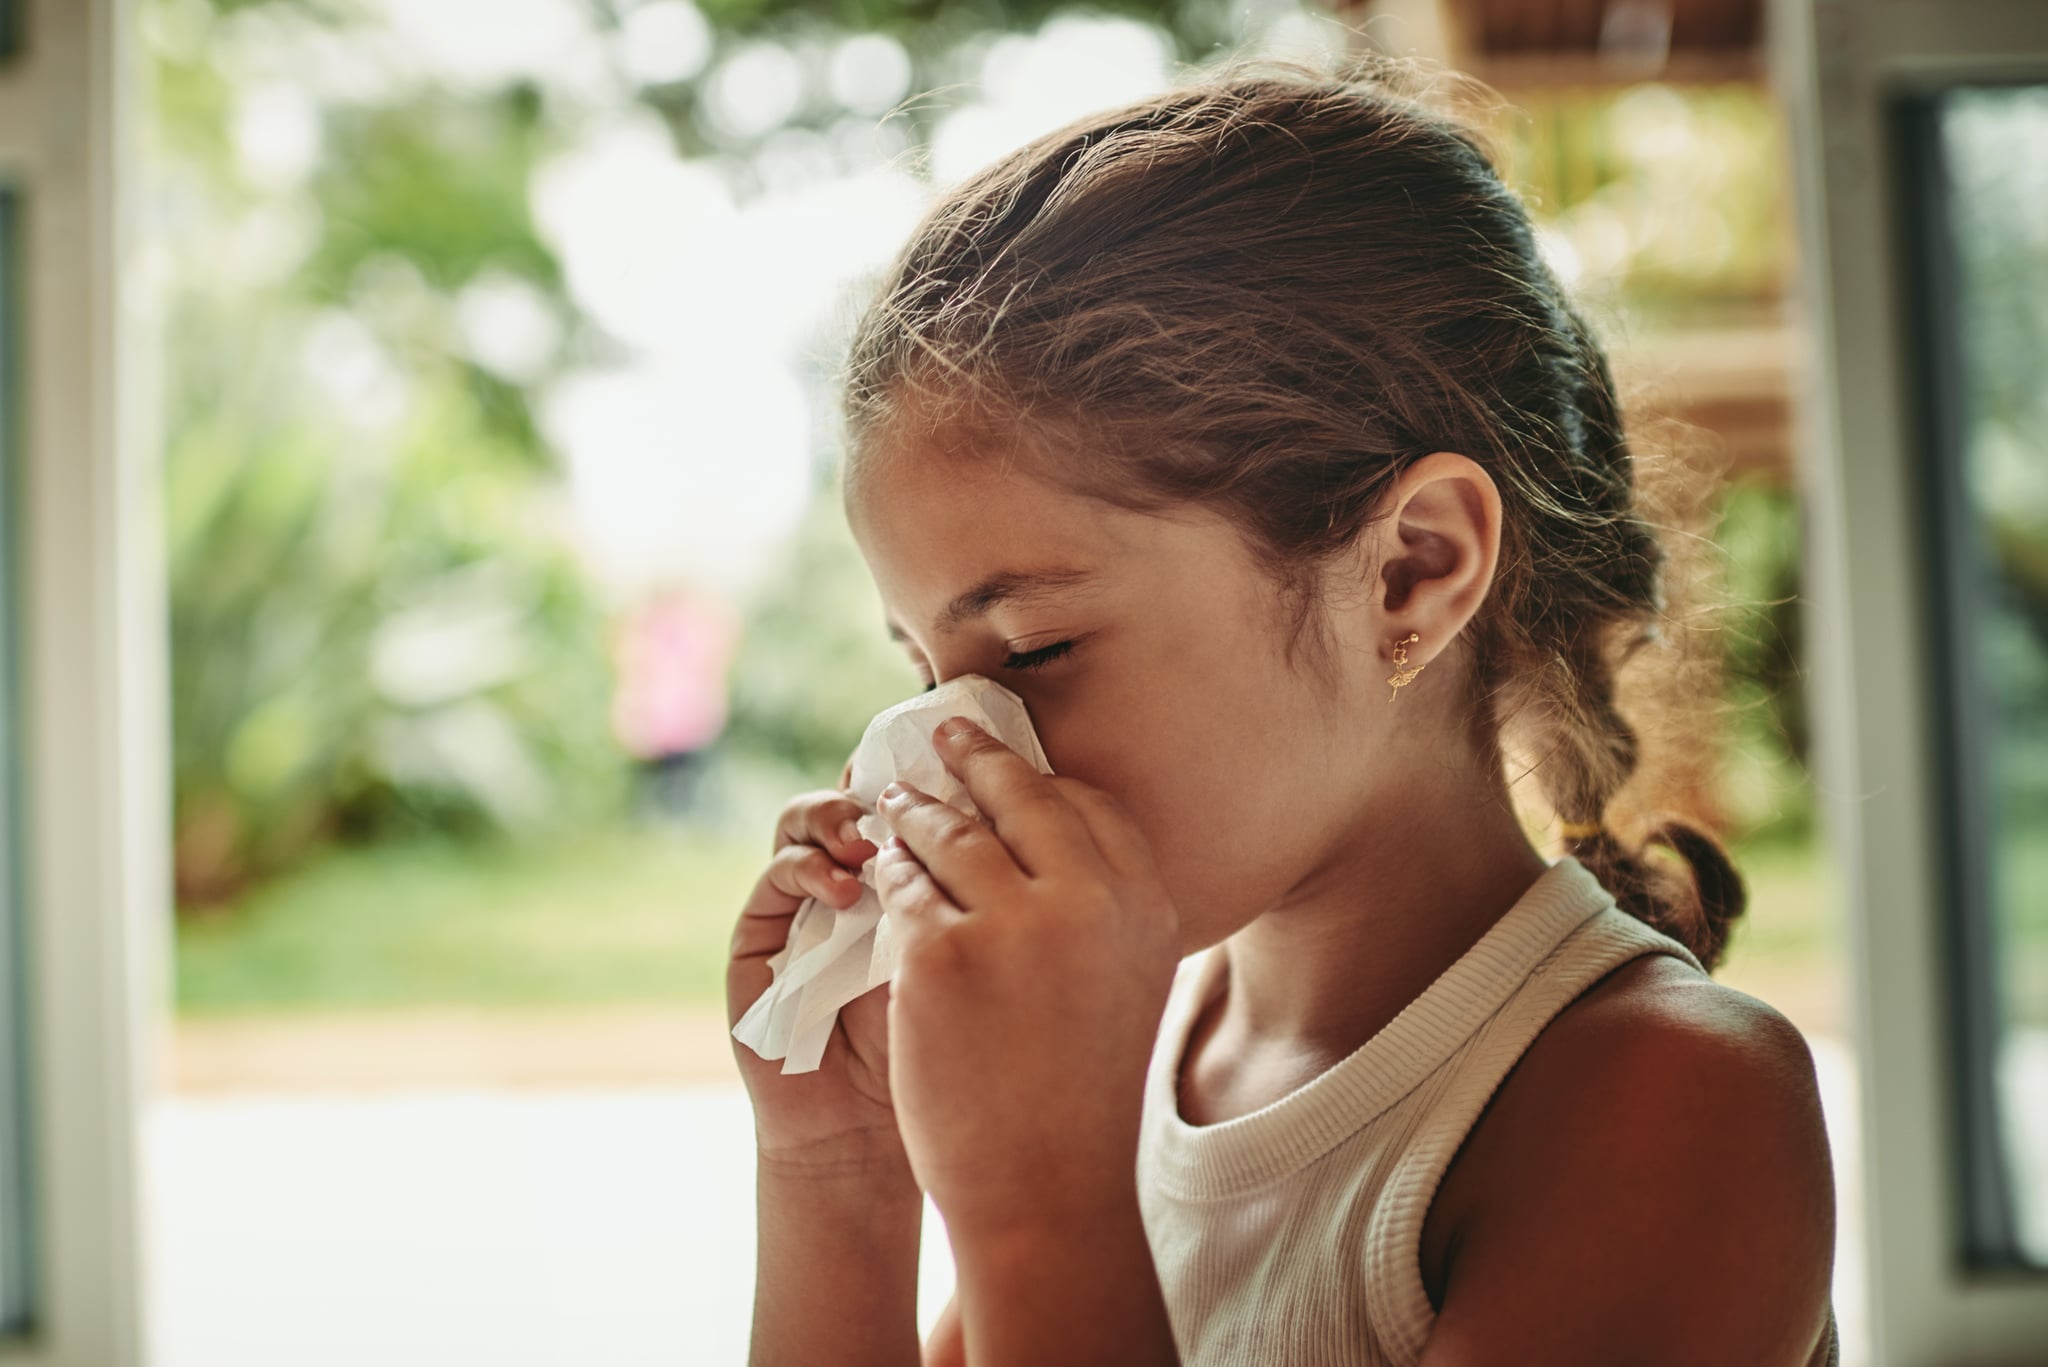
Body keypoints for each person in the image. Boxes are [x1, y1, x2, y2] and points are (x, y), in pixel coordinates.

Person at [727, 55, 1838, 1367]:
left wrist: (1043, 1207)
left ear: (1411, 573)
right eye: (925, 672)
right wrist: (843, 1174)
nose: (950, 749)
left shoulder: (1676, 1106)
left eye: (1034, 649)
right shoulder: (1133, 1047)